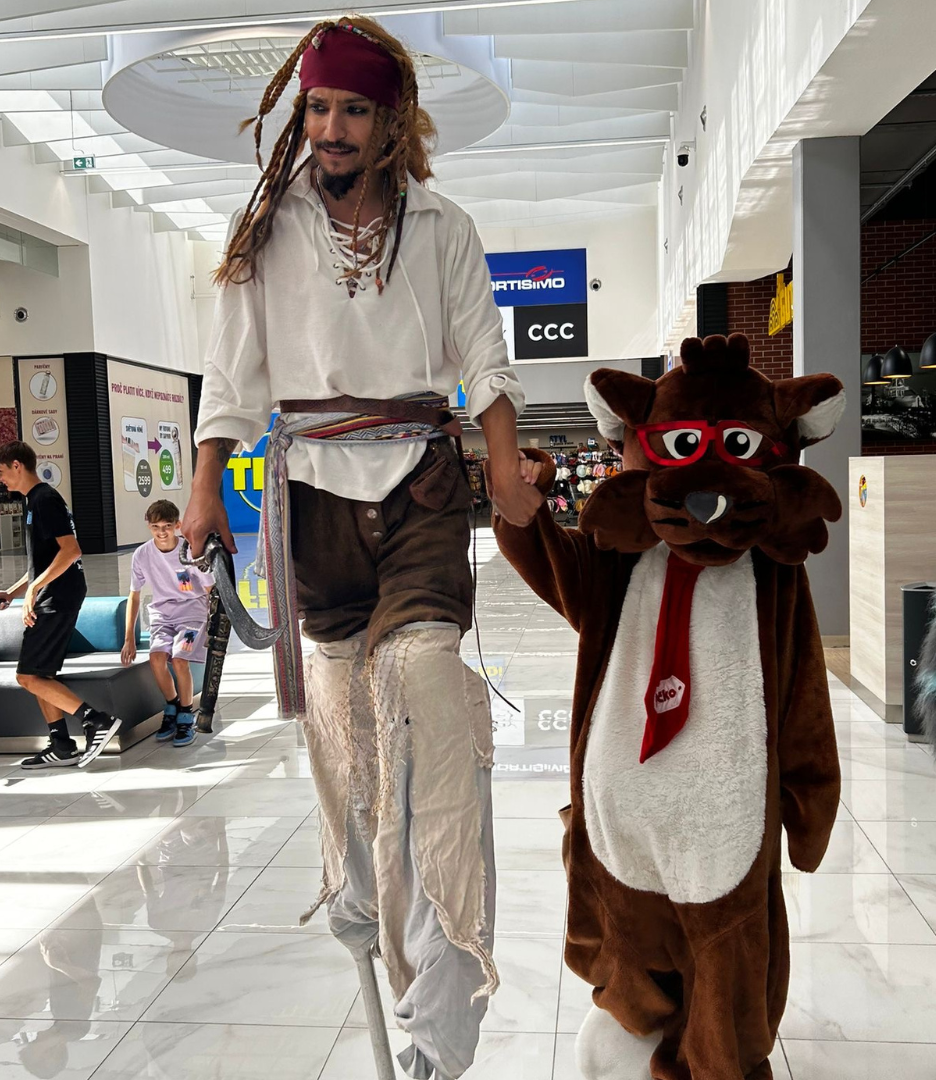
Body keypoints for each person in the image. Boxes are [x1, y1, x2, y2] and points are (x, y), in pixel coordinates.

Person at [182, 15, 541, 1079]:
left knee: (428, 697)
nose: (331, 128)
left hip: (420, 484)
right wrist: (205, 486)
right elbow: (231, 376)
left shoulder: (443, 227)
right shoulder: (264, 231)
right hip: (312, 505)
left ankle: (443, 1008)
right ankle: (365, 912)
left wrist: (506, 466)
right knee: (347, 747)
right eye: (318, 108)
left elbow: (485, 355)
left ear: (393, 122)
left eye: (352, 109)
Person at [0, 441, 122, 769]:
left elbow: (71, 551)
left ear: (17, 465)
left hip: (57, 597)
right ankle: (61, 745)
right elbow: (44, 562)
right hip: (54, 594)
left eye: (0, 472)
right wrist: (14, 592)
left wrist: (35, 589)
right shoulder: (34, 500)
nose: (0, 479)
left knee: (27, 676)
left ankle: (96, 720)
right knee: (40, 674)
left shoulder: (44, 499)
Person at [121, 500, 213, 748]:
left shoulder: (190, 551)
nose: (161, 532)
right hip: (162, 614)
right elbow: (134, 595)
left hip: (192, 613)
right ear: (148, 526)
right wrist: (129, 637)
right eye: (155, 527)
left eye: (167, 526)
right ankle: (171, 706)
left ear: (177, 525)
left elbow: (210, 589)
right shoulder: (142, 555)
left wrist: (215, 623)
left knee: (180, 659)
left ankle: (186, 715)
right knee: (156, 659)